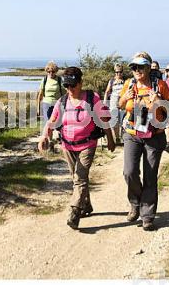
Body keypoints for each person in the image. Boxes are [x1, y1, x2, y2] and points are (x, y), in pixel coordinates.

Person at [38, 67, 116, 230]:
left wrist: (110, 139)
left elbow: (104, 120)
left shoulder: (91, 98)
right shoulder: (63, 101)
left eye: (73, 85)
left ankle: (74, 212)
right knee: (77, 177)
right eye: (67, 86)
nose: (70, 89)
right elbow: (51, 121)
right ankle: (86, 205)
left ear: (80, 83)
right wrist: (45, 136)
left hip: (87, 144)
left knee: (79, 177)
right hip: (67, 145)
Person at [118, 52, 169, 231]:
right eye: (134, 67)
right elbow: (120, 105)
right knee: (129, 172)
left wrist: (158, 101)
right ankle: (135, 203)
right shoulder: (129, 84)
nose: (136, 70)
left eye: (140, 67)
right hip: (132, 133)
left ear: (148, 67)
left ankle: (147, 215)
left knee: (150, 176)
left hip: (154, 135)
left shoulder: (160, 85)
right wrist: (125, 98)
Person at [103, 63, 126, 144]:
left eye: (120, 72)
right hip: (113, 103)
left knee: (124, 122)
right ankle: (117, 138)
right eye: (116, 72)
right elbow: (107, 92)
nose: (118, 74)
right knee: (114, 122)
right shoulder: (111, 81)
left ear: (122, 72)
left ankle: (124, 139)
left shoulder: (125, 81)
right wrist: (105, 103)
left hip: (123, 104)